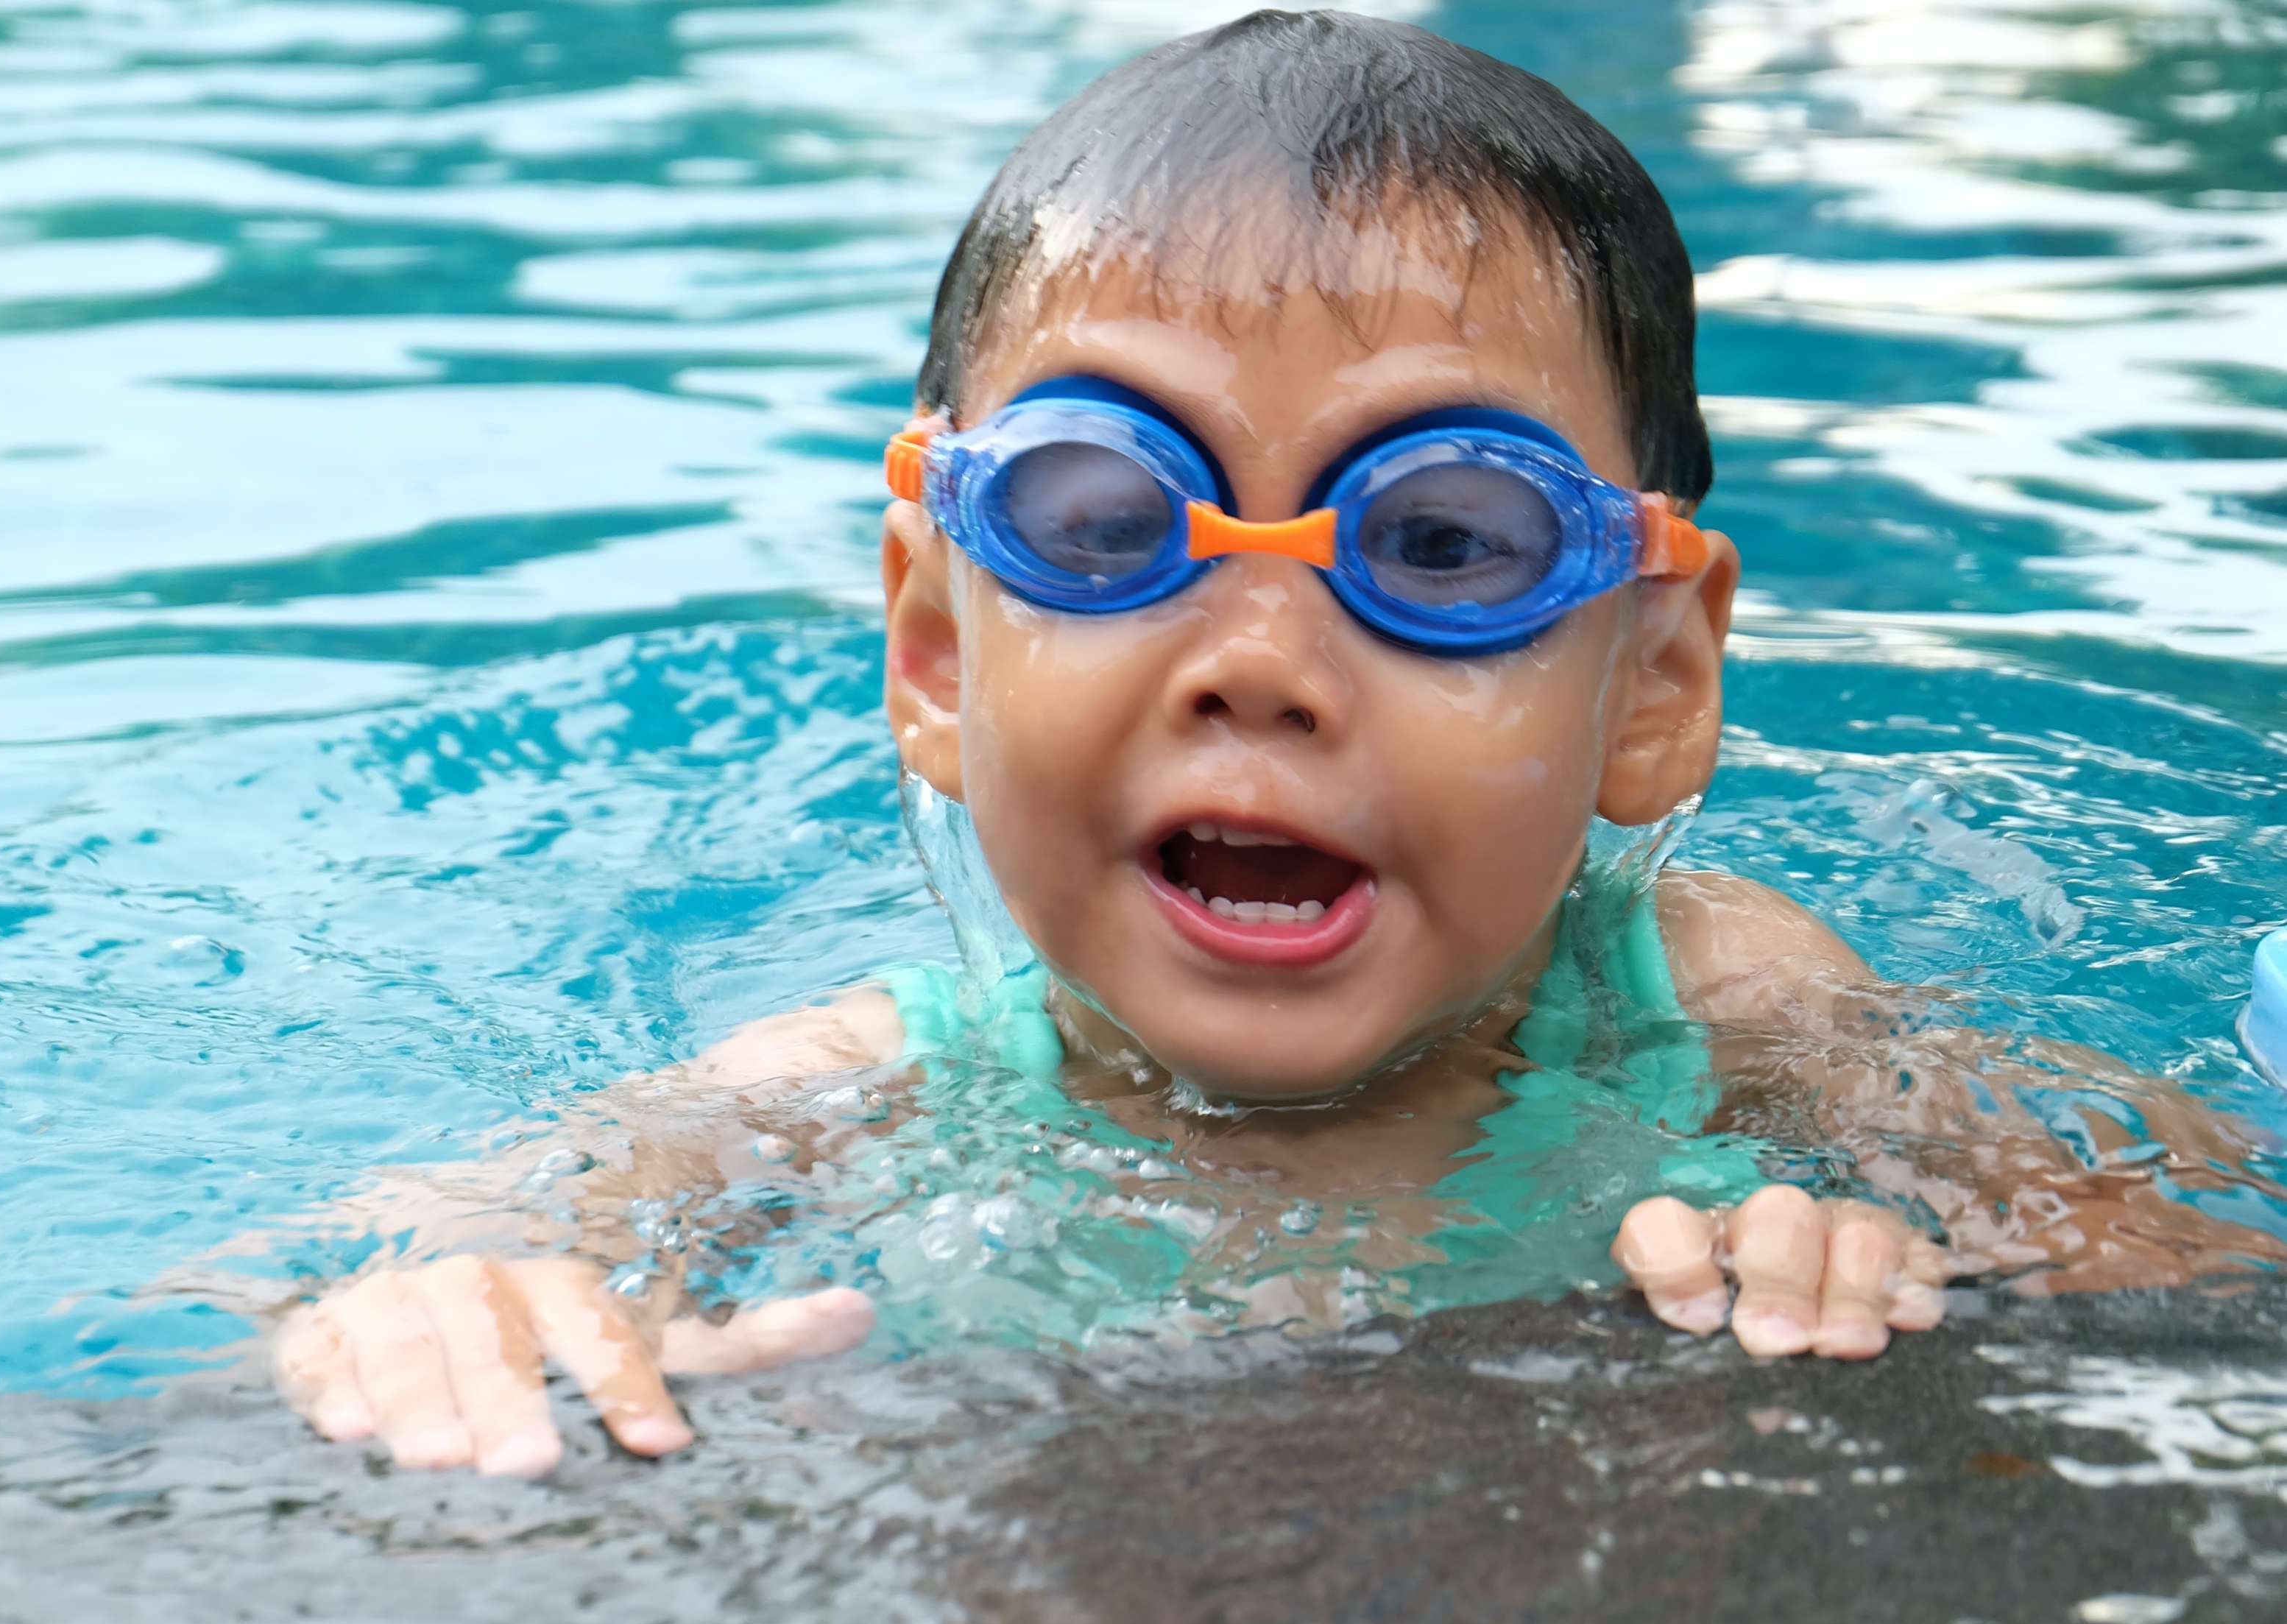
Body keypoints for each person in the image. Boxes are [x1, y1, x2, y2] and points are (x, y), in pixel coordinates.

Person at [266, 11, 2279, 1478]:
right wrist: (446, 1307)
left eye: (1438, 542)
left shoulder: (1719, 1005)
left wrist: (1894, 1276)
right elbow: (431, 1244)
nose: (1257, 664)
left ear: (1651, 687)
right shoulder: (864, 1084)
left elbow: (2176, 1268)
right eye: (1098, 521)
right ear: (933, 650)